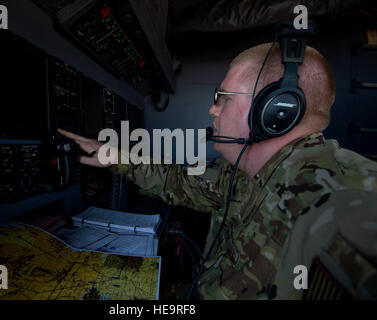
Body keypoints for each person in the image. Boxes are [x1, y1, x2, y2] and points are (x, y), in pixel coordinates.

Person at [58, 43, 377, 300]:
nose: (212, 109)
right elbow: (181, 183)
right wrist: (116, 157)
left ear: (274, 113)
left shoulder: (337, 195)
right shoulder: (242, 171)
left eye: (223, 98)